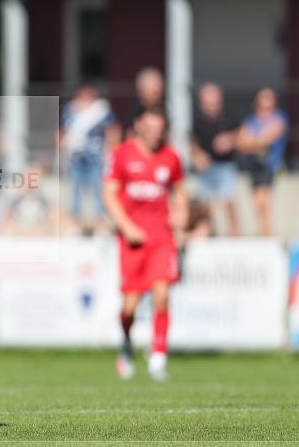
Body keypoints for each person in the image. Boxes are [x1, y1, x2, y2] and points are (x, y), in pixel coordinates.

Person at [103, 106, 188, 382]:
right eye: (150, 129)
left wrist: (181, 213)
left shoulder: (171, 157)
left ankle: (159, 356)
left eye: (159, 130)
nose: (155, 134)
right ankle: (126, 344)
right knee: (129, 307)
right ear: (138, 125)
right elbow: (109, 193)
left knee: (162, 294)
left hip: (162, 237)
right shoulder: (122, 154)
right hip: (133, 241)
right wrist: (127, 227)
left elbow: (180, 190)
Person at [60, 84, 118, 233]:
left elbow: (112, 129)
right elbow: (62, 130)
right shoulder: (70, 110)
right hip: (75, 156)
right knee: (74, 191)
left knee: (99, 190)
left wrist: (110, 149)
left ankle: (101, 224)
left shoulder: (101, 110)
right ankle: (75, 224)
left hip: (96, 155)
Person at [236, 88, 288, 236]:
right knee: (258, 204)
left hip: (271, 166)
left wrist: (252, 141)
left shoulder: (279, 118)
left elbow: (267, 138)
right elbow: (241, 143)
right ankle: (263, 234)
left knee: (266, 202)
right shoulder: (251, 120)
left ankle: (268, 235)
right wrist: (255, 142)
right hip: (254, 166)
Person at [190, 83, 239, 235]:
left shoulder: (229, 117)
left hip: (225, 165)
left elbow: (241, 135)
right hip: (206, 168)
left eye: (214, 103)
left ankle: (235, 233)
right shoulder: (197, 121)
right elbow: (193, 143)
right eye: (207, 104)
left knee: (229, 200)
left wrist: (229, 140)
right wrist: (198, 156)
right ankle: (208, 232)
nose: (211, 107)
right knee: (205, 203)